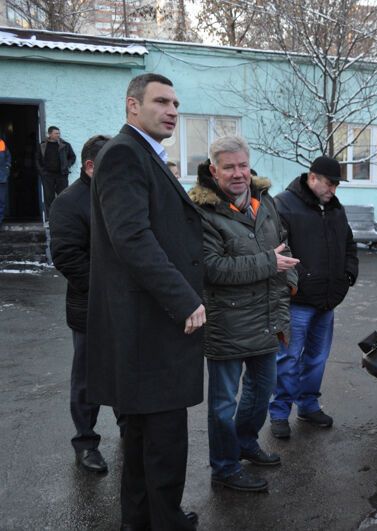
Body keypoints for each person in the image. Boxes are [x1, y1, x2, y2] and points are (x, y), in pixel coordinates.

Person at [88, 73, 205, 530]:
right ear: (132, 106)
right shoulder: (123, 154)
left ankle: (148, 520)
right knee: (162, 444)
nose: (172, 110)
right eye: (161, 101)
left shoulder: (142, 154)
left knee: (142, 446)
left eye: (175, 102)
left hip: (148, 331)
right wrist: (184, 299)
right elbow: (132, 238)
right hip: (150, 330)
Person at [189, 136, 298, 492]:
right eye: (229, 167)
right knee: (223, 403)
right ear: (213, 170)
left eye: (243, 166)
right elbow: (212, 268)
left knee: (261, 389)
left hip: (266, 316)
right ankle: (224, 467)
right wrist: (271, 264)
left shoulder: (264, 201)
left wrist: (290, 279)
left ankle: (245, 442)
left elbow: (282, 244)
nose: (238, 174)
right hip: (227, 321)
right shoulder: (202, 212)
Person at [49, 134, 127, 474]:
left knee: (127, 372)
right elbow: (67, 256)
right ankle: (85, 442)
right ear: (90, 166)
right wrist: (107, 291)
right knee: (87, 379)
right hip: (91, 307)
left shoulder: (122, 196)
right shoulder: (69, 202)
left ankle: (130, 430)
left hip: (129, 307)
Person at [270, 156, 358, 439]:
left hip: (327, 299)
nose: (333, 189)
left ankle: (308, 405)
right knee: (288, 357)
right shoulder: (283, 204)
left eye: (336, 185)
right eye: (330, 183)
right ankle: (280, 412)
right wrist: (301, 280)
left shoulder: (334, 208)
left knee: (317, 358)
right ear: (312, 178)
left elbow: (348, 242)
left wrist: (349, 273)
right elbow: (278, 250)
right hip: (297, 301)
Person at [36, 126, 76, 217]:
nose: (58, 135)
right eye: (56, 133)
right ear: (49, 134)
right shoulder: (42, 145)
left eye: (59, 133)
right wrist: (42, 171)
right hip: (47, 176)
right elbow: (37, 159)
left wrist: (67, 165)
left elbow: (72, 157)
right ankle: (51, 219)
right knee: (49, 197)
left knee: (63, 196)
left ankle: (64, 217)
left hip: (61, 175)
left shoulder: (65, 145)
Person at [0, 133, 10, 226]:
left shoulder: (1, 143)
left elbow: (8, 158)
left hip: (2, 177)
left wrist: (7, 168)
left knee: (1, 200)